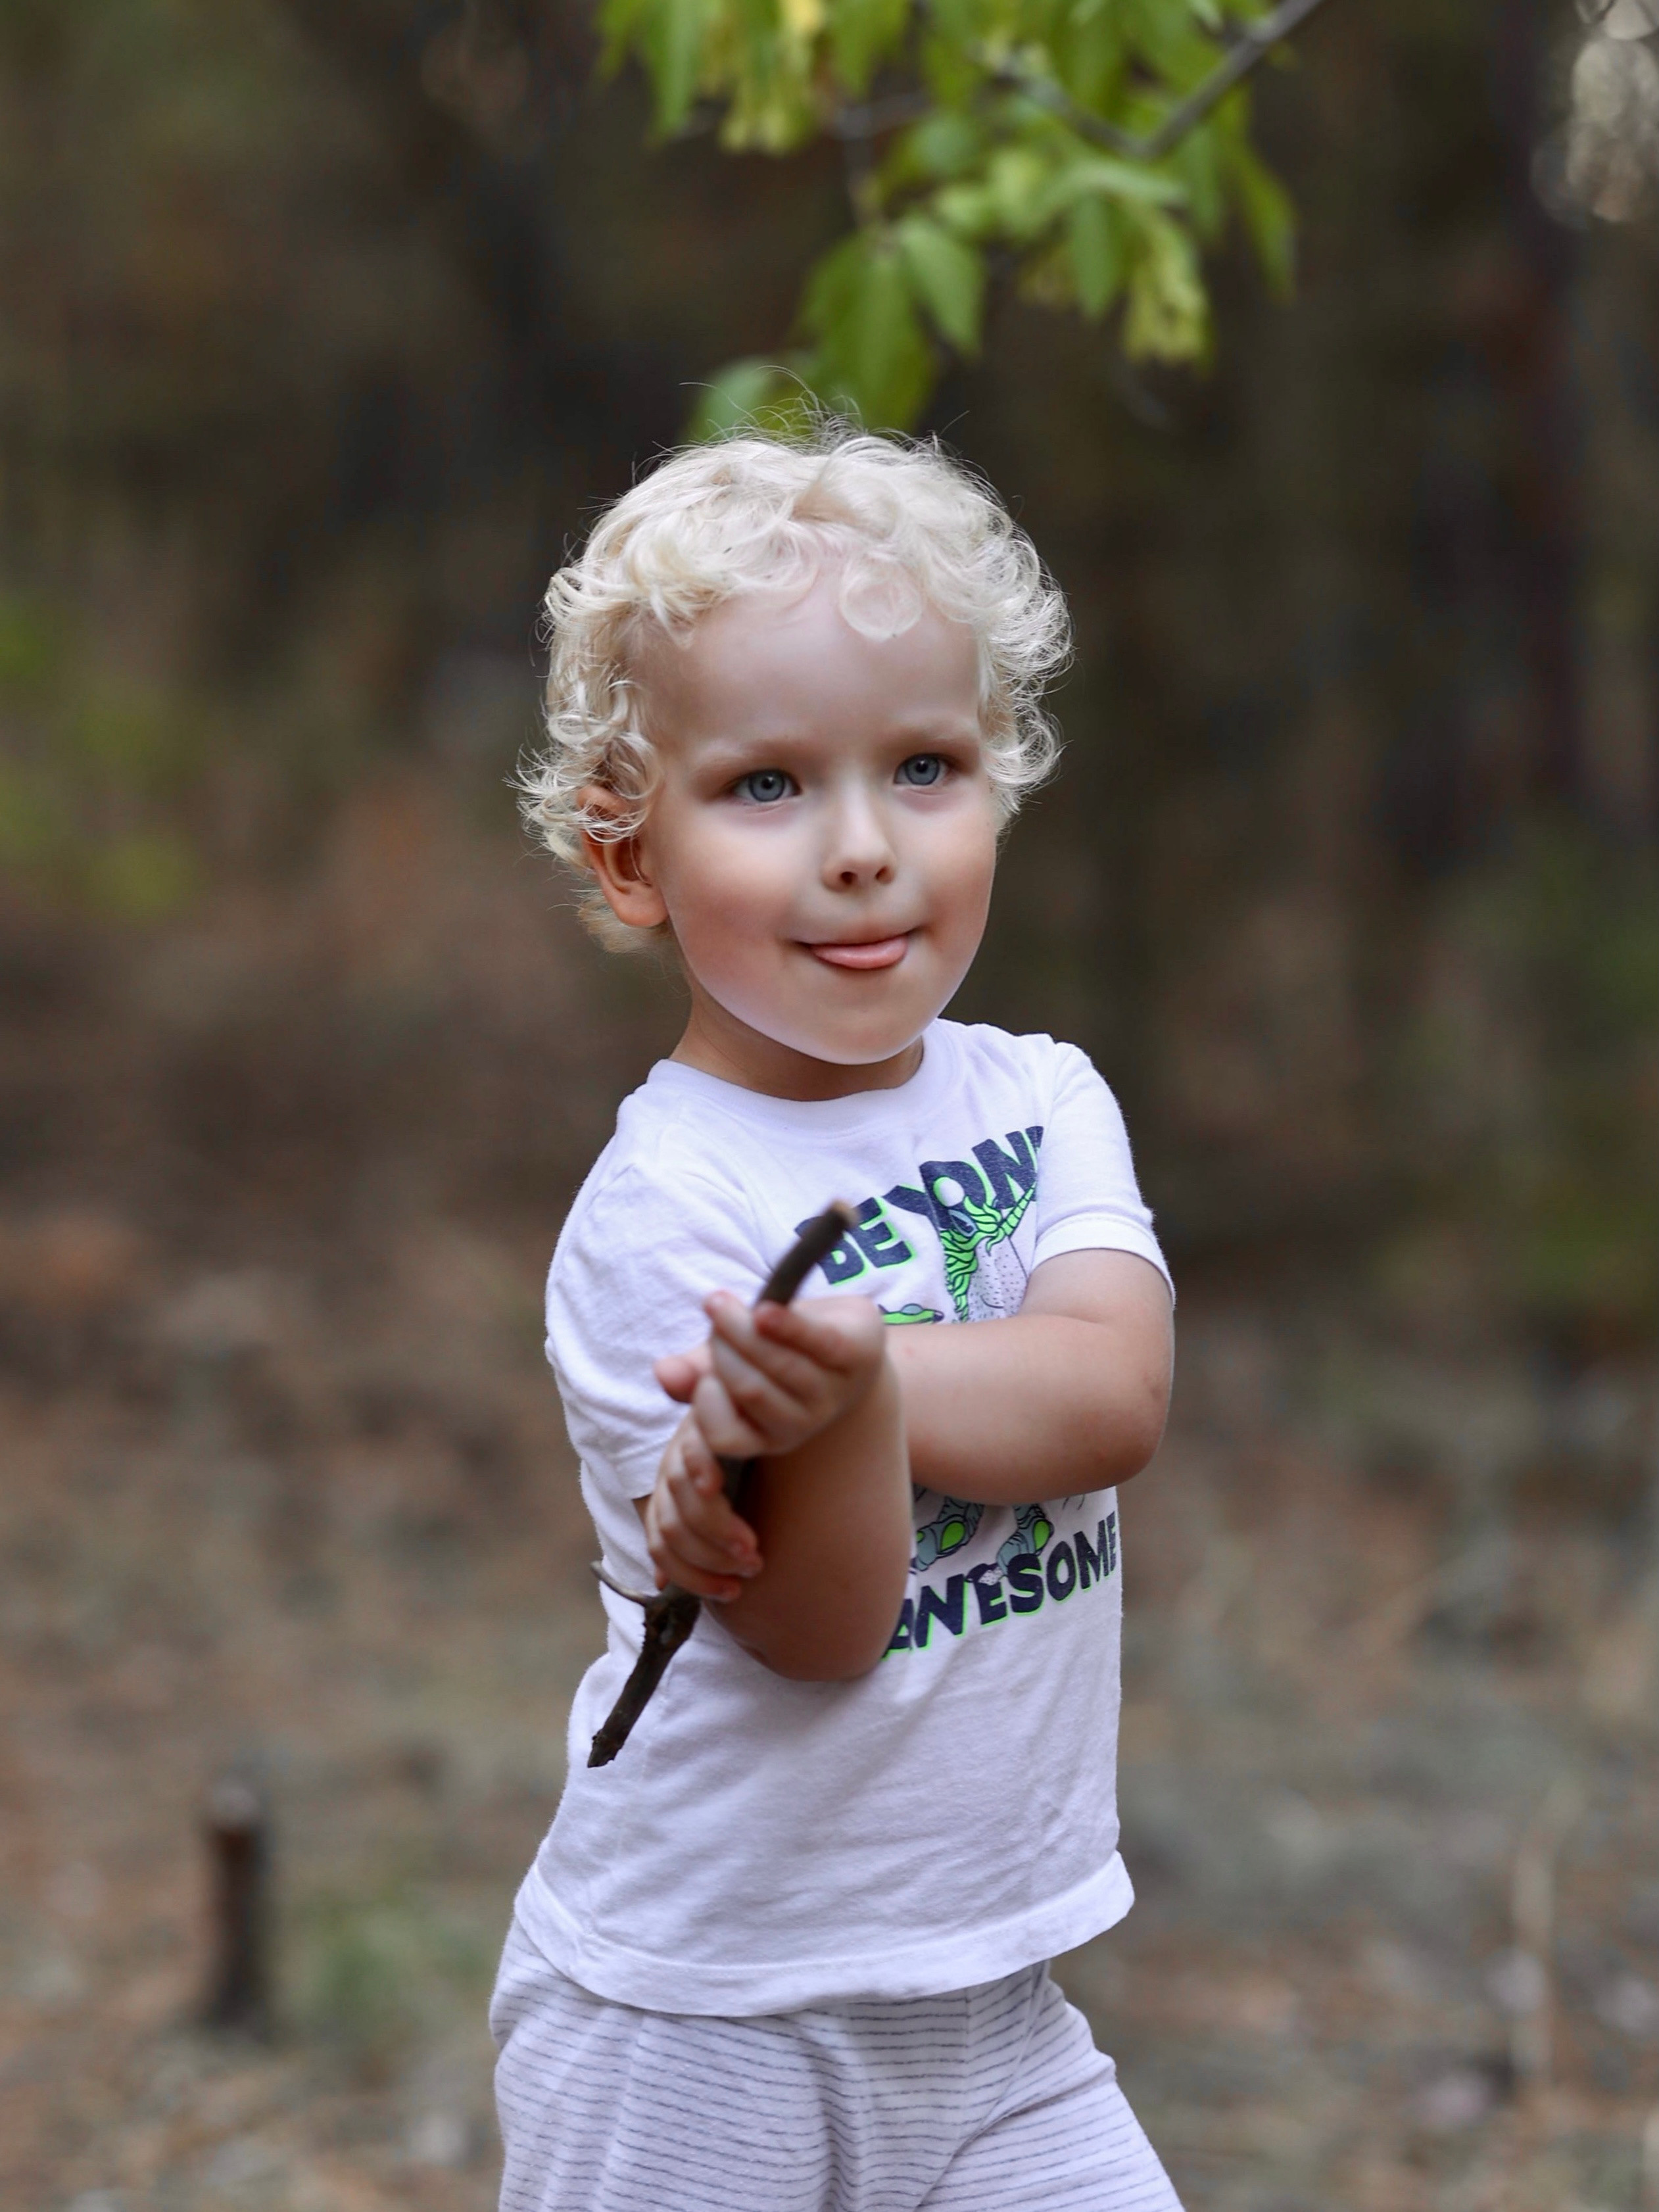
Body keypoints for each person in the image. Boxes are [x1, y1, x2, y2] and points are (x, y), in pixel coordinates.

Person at [492, 425, 1182, 2212]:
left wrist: (857, 1386)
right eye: (767, 785)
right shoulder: (665, 1215)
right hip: (697, 2022)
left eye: (924, 765)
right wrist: (853, 1428)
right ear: (626, 851)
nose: (864, 848)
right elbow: (814, 1624)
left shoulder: (1039, 1101)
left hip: (991, 2017)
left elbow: (1107, 1392)